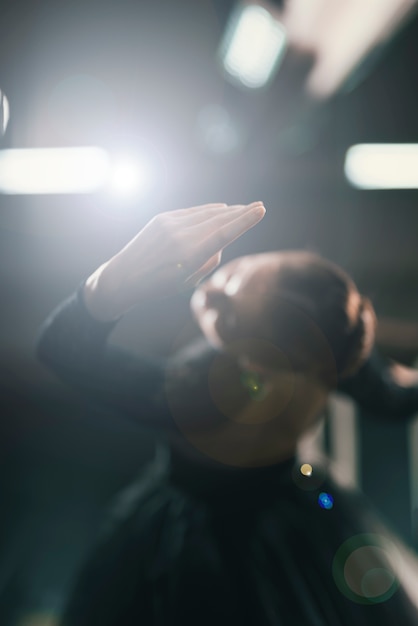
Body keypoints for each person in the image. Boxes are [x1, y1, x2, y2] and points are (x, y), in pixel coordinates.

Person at [37, 201, 418, 625]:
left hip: (198, 543)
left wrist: (107, 288)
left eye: (230, 308)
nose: (212, 288)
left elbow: (61, 351)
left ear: (255, 355)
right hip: (301, 510)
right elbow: (395, 401)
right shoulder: (332, 345)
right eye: (239, 272)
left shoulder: (201, 392)